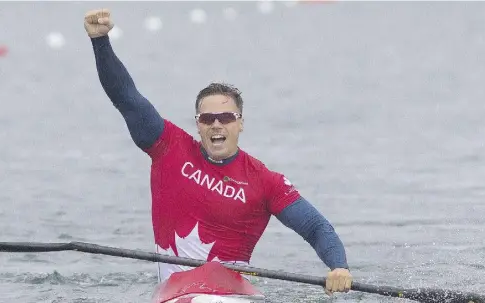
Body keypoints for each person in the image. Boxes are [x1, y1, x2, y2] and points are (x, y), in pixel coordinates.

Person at [83, 8, 353, 295]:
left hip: (232, 293)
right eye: (206, 118)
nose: (216, 125)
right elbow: (126, 98)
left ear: (240, 124)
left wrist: (339, 268)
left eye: (225, 118)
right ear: (197, 125)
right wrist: (101, 42)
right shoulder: (168, 147)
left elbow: (315, 227)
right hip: (176, 293)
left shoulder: (265, 181)